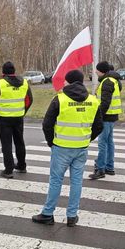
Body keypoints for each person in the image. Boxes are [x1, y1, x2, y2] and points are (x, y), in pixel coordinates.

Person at [32, 70, 102, 227]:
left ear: (69, 82)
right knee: (76, 181)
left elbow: (47, 124)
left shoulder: (60, 99)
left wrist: (51, 142)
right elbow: (99, 126)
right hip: (81, 147)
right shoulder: (92, 100)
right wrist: (86, 139)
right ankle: (72, 215)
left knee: (56, 181)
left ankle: (48, 213)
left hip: (61, 147)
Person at [0, 61, 33, 178]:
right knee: (20, 142)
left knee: (6, 144)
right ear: (14, 71)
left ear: (3, 72)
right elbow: (29, 100)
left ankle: (8, 170)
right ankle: (22, 166)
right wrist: (23, 111)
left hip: (4, 118)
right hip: (18, 117)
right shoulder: (24, 82)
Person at [89, 61, 122, 180]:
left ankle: (101, 169)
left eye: (97, 70)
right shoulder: (112, 80)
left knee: (103, 143)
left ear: (101, 71)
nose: (96, 72)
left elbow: (105, 103)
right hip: (112, 116)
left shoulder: (107, 82)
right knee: (109, 142)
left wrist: (98, 117)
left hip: (106, 116)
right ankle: (109, 167)